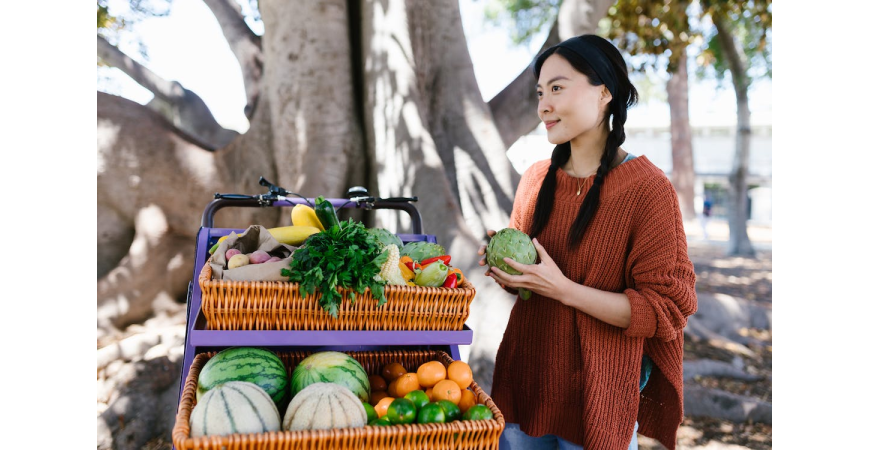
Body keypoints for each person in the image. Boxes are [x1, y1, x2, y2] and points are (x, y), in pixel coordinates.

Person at [477, 35, 698, 450]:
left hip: (600, 403)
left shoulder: (648, 190)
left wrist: (564, 290)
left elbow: (666, 309)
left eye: (557, 88)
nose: (543, 105)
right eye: (540, 93)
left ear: (604, 93)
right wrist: (510, 273)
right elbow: (529, 289)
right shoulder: (535, 180)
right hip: (526, 387)